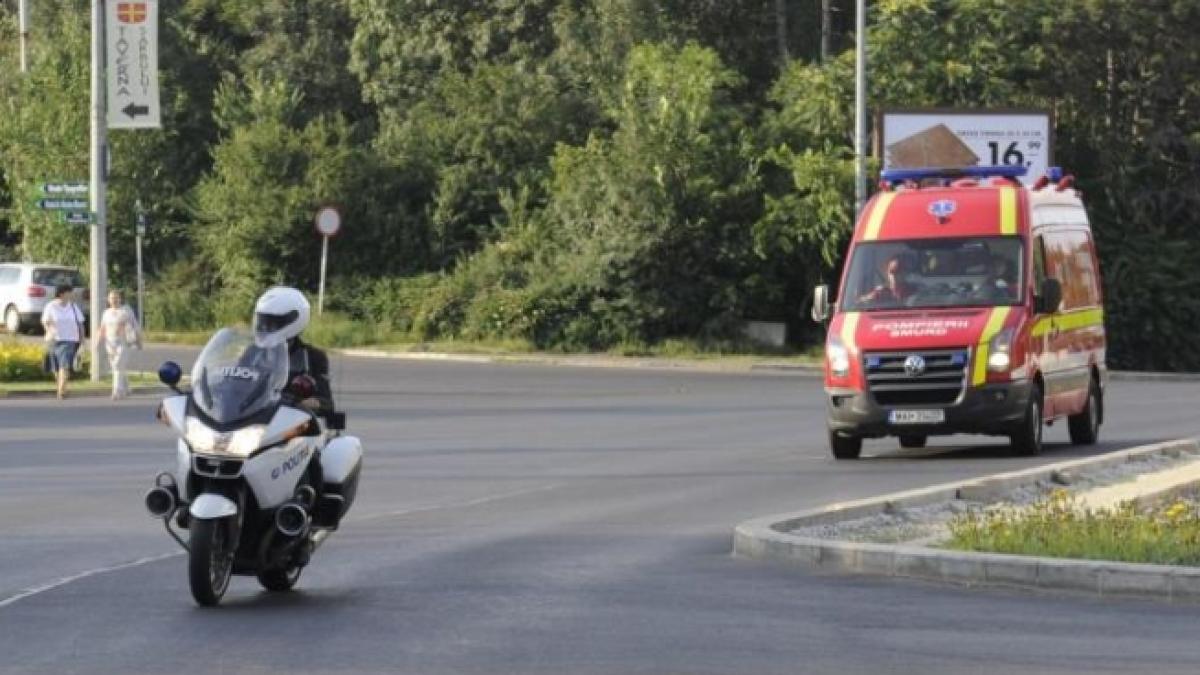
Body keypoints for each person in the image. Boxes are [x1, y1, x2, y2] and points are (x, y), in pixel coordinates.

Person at [252, 286, 334, 416]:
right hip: (254, 418)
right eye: (263, 321)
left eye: (272, 322)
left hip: (290, 423)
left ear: (293, 319)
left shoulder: (312, 356)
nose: (265, 326)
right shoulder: (253, 352)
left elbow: (326, 403)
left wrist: (300, 403)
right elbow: (235, 383)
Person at [40, 284, 85, 400]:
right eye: (69, 292)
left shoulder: (73, 307)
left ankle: (61, 391)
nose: (71, 294)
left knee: (64, 365)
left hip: (70, 340)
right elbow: (45, 322)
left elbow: (80, 324)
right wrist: (50, 331)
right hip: (53, 340)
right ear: (61, 293)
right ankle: (62, 387)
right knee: (56, 368)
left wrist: (82, 340)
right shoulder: (50, 306)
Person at [96, 290, 144, 399]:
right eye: (111, 298)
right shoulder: (106, 313)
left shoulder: (126, 311)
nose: (114, 300)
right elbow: (102, 328)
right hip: (110, 343)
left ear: (120, 299)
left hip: (123, 343)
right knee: (116, 367)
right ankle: (127, 387)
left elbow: (135, 326)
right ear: (108, 300)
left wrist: (139, 341)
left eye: (116, 297)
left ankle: (117, 391)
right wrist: (98, 342)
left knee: (117, 365)